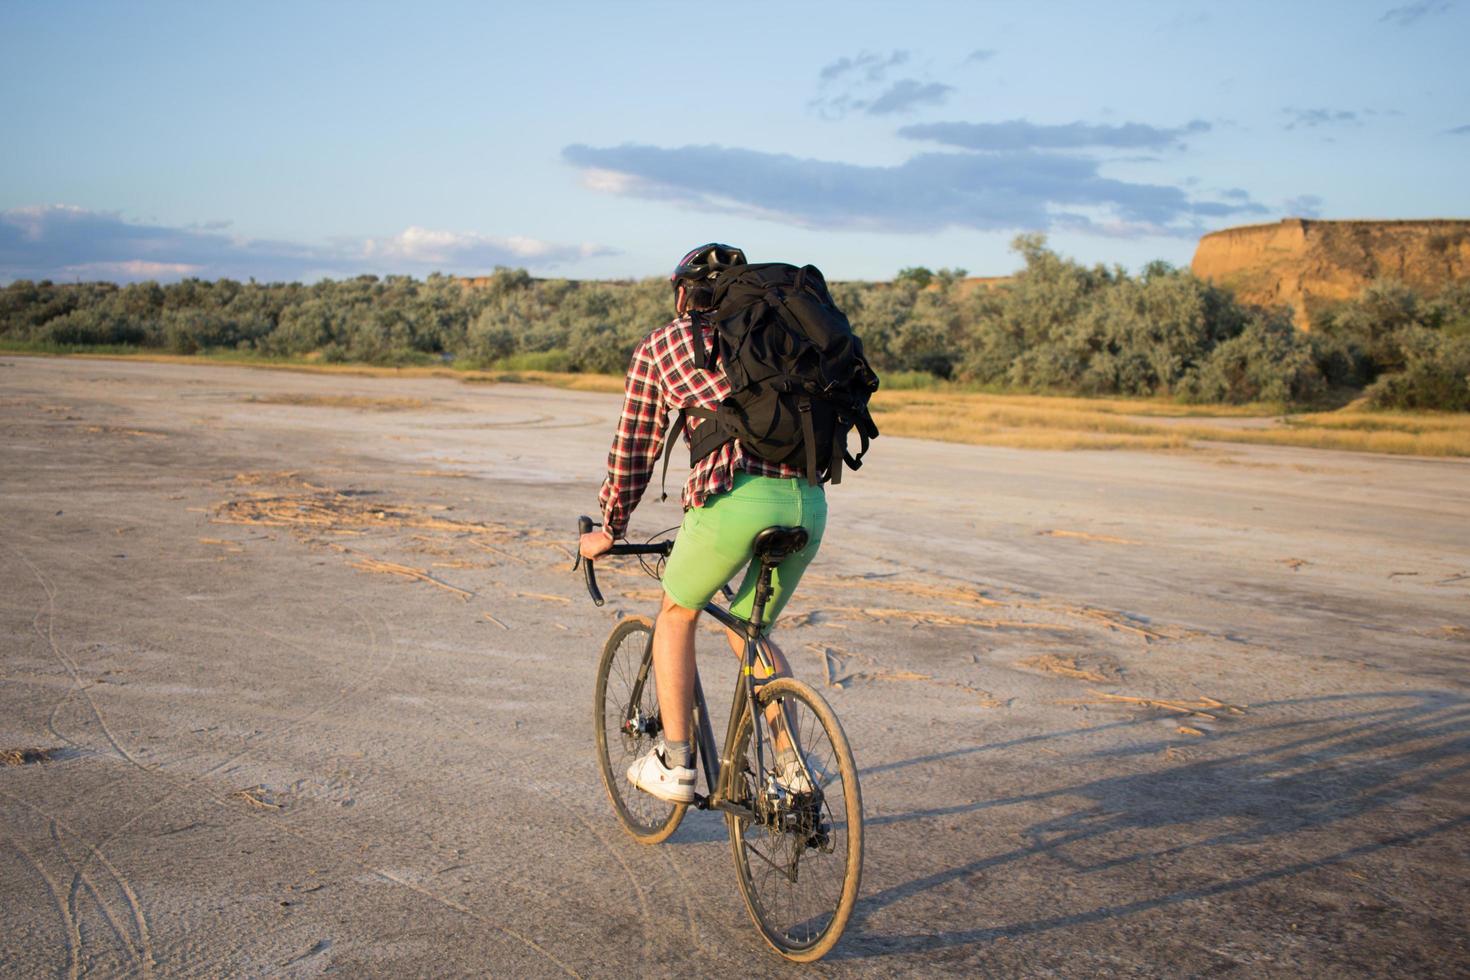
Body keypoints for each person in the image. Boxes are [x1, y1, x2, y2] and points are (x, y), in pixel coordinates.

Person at [578, 243, 827, 804]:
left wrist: (611, 526)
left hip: (734, 500)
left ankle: (676, 761)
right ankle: (791, 765)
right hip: (809, 503)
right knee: (749, 629)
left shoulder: (666, 343)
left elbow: (634, 445)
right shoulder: (781, 336)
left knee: (675, 612)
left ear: (682, 294)